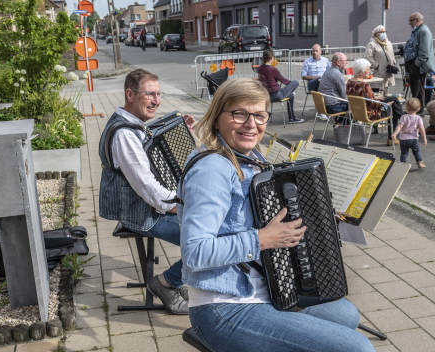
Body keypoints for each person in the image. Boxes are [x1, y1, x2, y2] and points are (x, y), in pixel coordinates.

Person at [176, 77, 375, 352]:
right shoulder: (212, 168)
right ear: (216, 117)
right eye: (239, 113)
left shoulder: (246, 155)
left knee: (346, 314)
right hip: (224, 307)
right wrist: (262, 239)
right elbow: (195, 253)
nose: (251, 124)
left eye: (259, 115)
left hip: (266, 288)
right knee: (357, 348)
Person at [98, 68, 195, 315]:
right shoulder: (124, 135)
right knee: (205, 238)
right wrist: (179, 206)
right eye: (150, 94)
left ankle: (178, 279)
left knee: (212, 226)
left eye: (159, 94)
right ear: (130, 94)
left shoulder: (132, 124)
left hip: (149, 207)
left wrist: (184, 131)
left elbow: (154, 155)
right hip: (142, 215)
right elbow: (147, 187)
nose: (156, 101)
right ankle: (165, 284)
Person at [347, 59, 404, 146]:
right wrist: (386, 105)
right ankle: (392, 136)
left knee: (391, 98)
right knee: (394, 106)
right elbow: (375, 105)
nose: (370, 71)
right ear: (360, 71)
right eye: (368, 69)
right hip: (370, 114)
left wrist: (376, 98)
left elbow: (361, 98)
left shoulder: (349, 82)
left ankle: (404, 118)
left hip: (357, 113)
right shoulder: (364, 85)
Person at [258, 49, 303, 124]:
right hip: (276, 95)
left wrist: (275, 80)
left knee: (291, 96)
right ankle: (292, 118)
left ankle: (292, 118)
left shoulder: (260, 68)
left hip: (266, 95)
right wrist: (291, 87)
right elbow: (285, 81)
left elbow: (265, 79)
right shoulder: (273, 69)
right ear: (272, 58)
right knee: (295, 82)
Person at [404, 12, 435, 114]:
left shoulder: (424, 31)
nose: (409, 23)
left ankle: (418, 110)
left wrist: (416, 64)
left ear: (417, 20)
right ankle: (416, 109)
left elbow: (424, 53)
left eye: (410, 21)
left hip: (418, 65)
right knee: (415, 88)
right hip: (414, 64)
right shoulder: (418, 30)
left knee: (418, 89)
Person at [391, 98, 427, 168]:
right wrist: (424, 138)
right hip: (414, 139)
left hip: (404, 140)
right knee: (417, 151)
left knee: (404, 153)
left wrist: (395, 134)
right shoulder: (418, 118)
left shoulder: (403, 117)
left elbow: (399, 127)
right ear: (418, 109)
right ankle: (419, 162)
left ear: (406, 108)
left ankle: (403, 166)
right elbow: (422, 129)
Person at [364, 25, 396, 96]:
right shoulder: (371, 44)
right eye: (381, 32)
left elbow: (392, 55)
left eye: (385, 31)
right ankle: (377, 105)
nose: (384, 33)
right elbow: (368, 57)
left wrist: (393, 63)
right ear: (376, 34)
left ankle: (384, 105)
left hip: (388, 71)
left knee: (385, 90)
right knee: (377, 91)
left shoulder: (389, 43)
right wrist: (376, 66)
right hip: (378, 71)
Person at [302, 44, 331, 121]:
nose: (314, 52)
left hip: (324, 84)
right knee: (320, 80)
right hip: (312, 84)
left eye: (316, 51)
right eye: (313, 51)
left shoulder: (326, 61)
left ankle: (326, 110)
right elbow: (303, 76)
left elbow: (330, 72)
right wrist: (313, 77)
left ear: (320, 51)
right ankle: (322, 112)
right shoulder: (307, 61)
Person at [318, 52, 349, 124]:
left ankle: (340, 123)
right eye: (345, 61)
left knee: (350, 105)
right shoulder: (338, 74)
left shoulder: (327, 71)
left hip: (324, 106)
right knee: (357, 106)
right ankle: (343, 126)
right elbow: (345, 95)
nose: (347, 62)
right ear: (338, 62)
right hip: (332, 107)